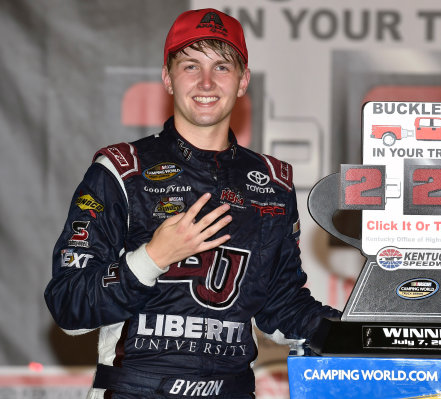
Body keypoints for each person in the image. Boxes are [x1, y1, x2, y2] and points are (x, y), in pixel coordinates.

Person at [45, 8, 340, 399]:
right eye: (190, 66)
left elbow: (281, 307)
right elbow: (68, 307)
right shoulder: (120, 170)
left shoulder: (272, 182)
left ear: (242, 81)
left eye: (221, 66)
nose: (206, 81)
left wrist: (365, 331)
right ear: (167, 78)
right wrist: (151, 257)